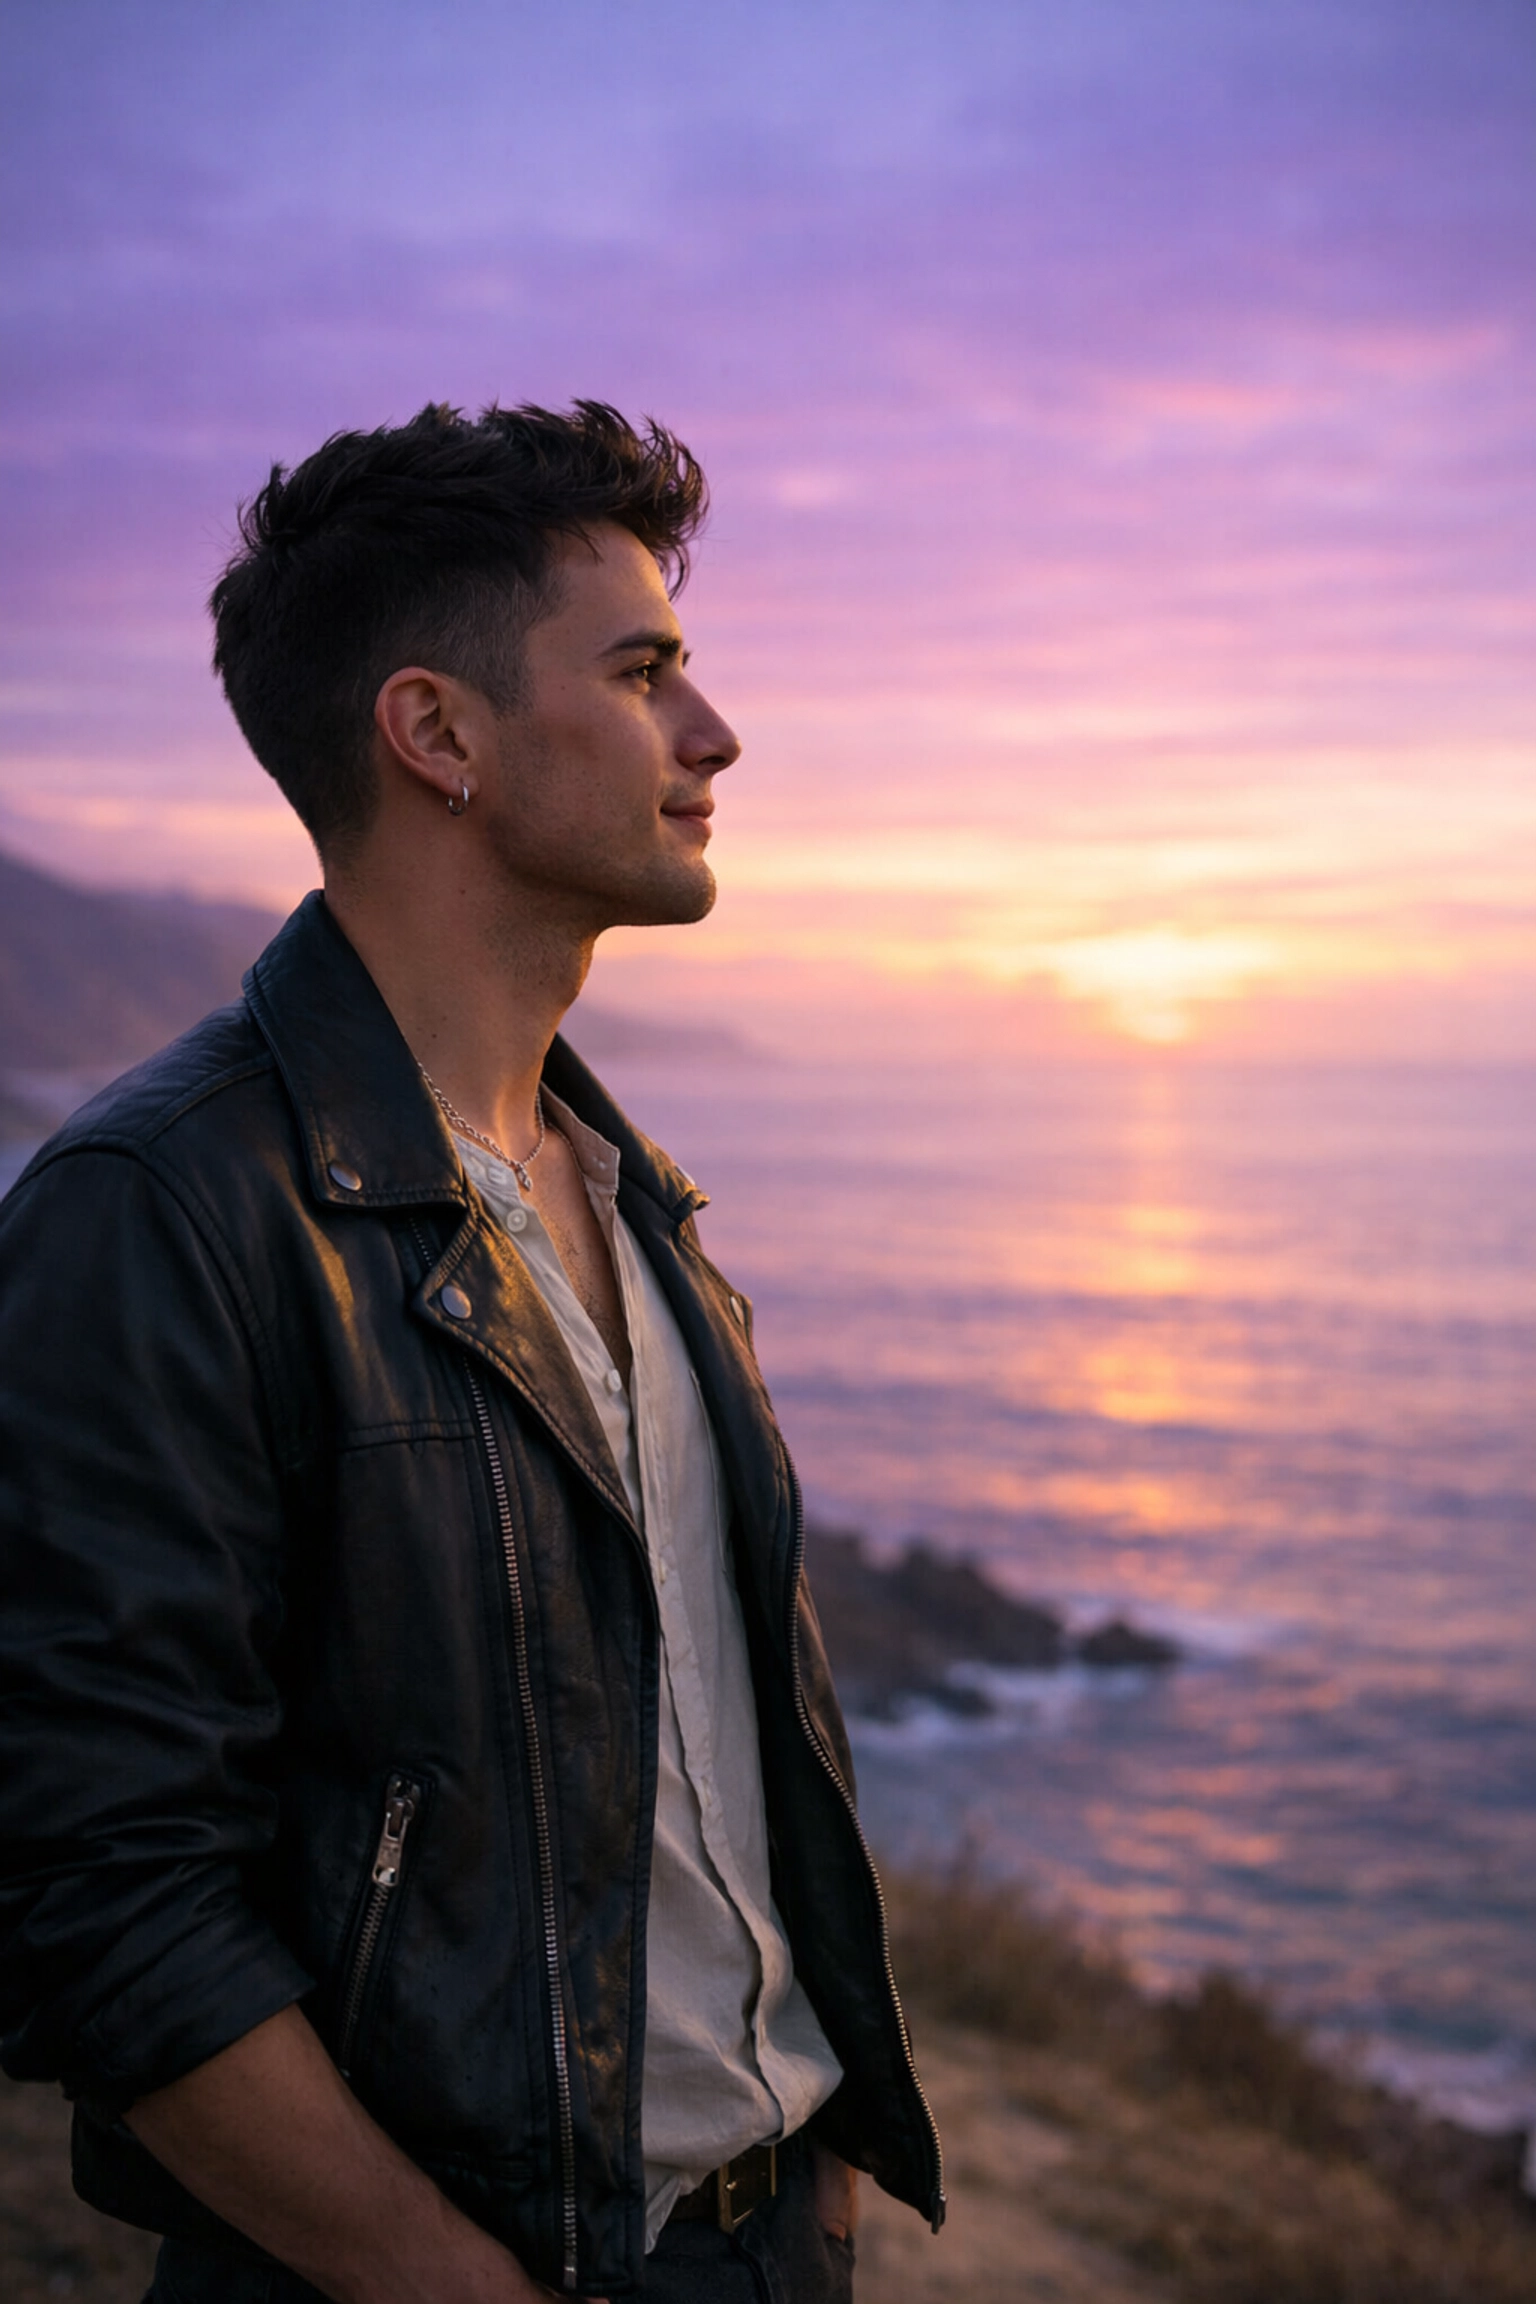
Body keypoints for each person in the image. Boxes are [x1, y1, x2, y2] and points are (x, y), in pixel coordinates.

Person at [0, 402, 943, 2303]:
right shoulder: (160, 1212)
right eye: (644, 672)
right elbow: (97, 1888)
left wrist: (822, 2159)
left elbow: (726, 1735)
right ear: (437, 734)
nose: (715, 734)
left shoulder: (632, 1191)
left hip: (759, 2243)